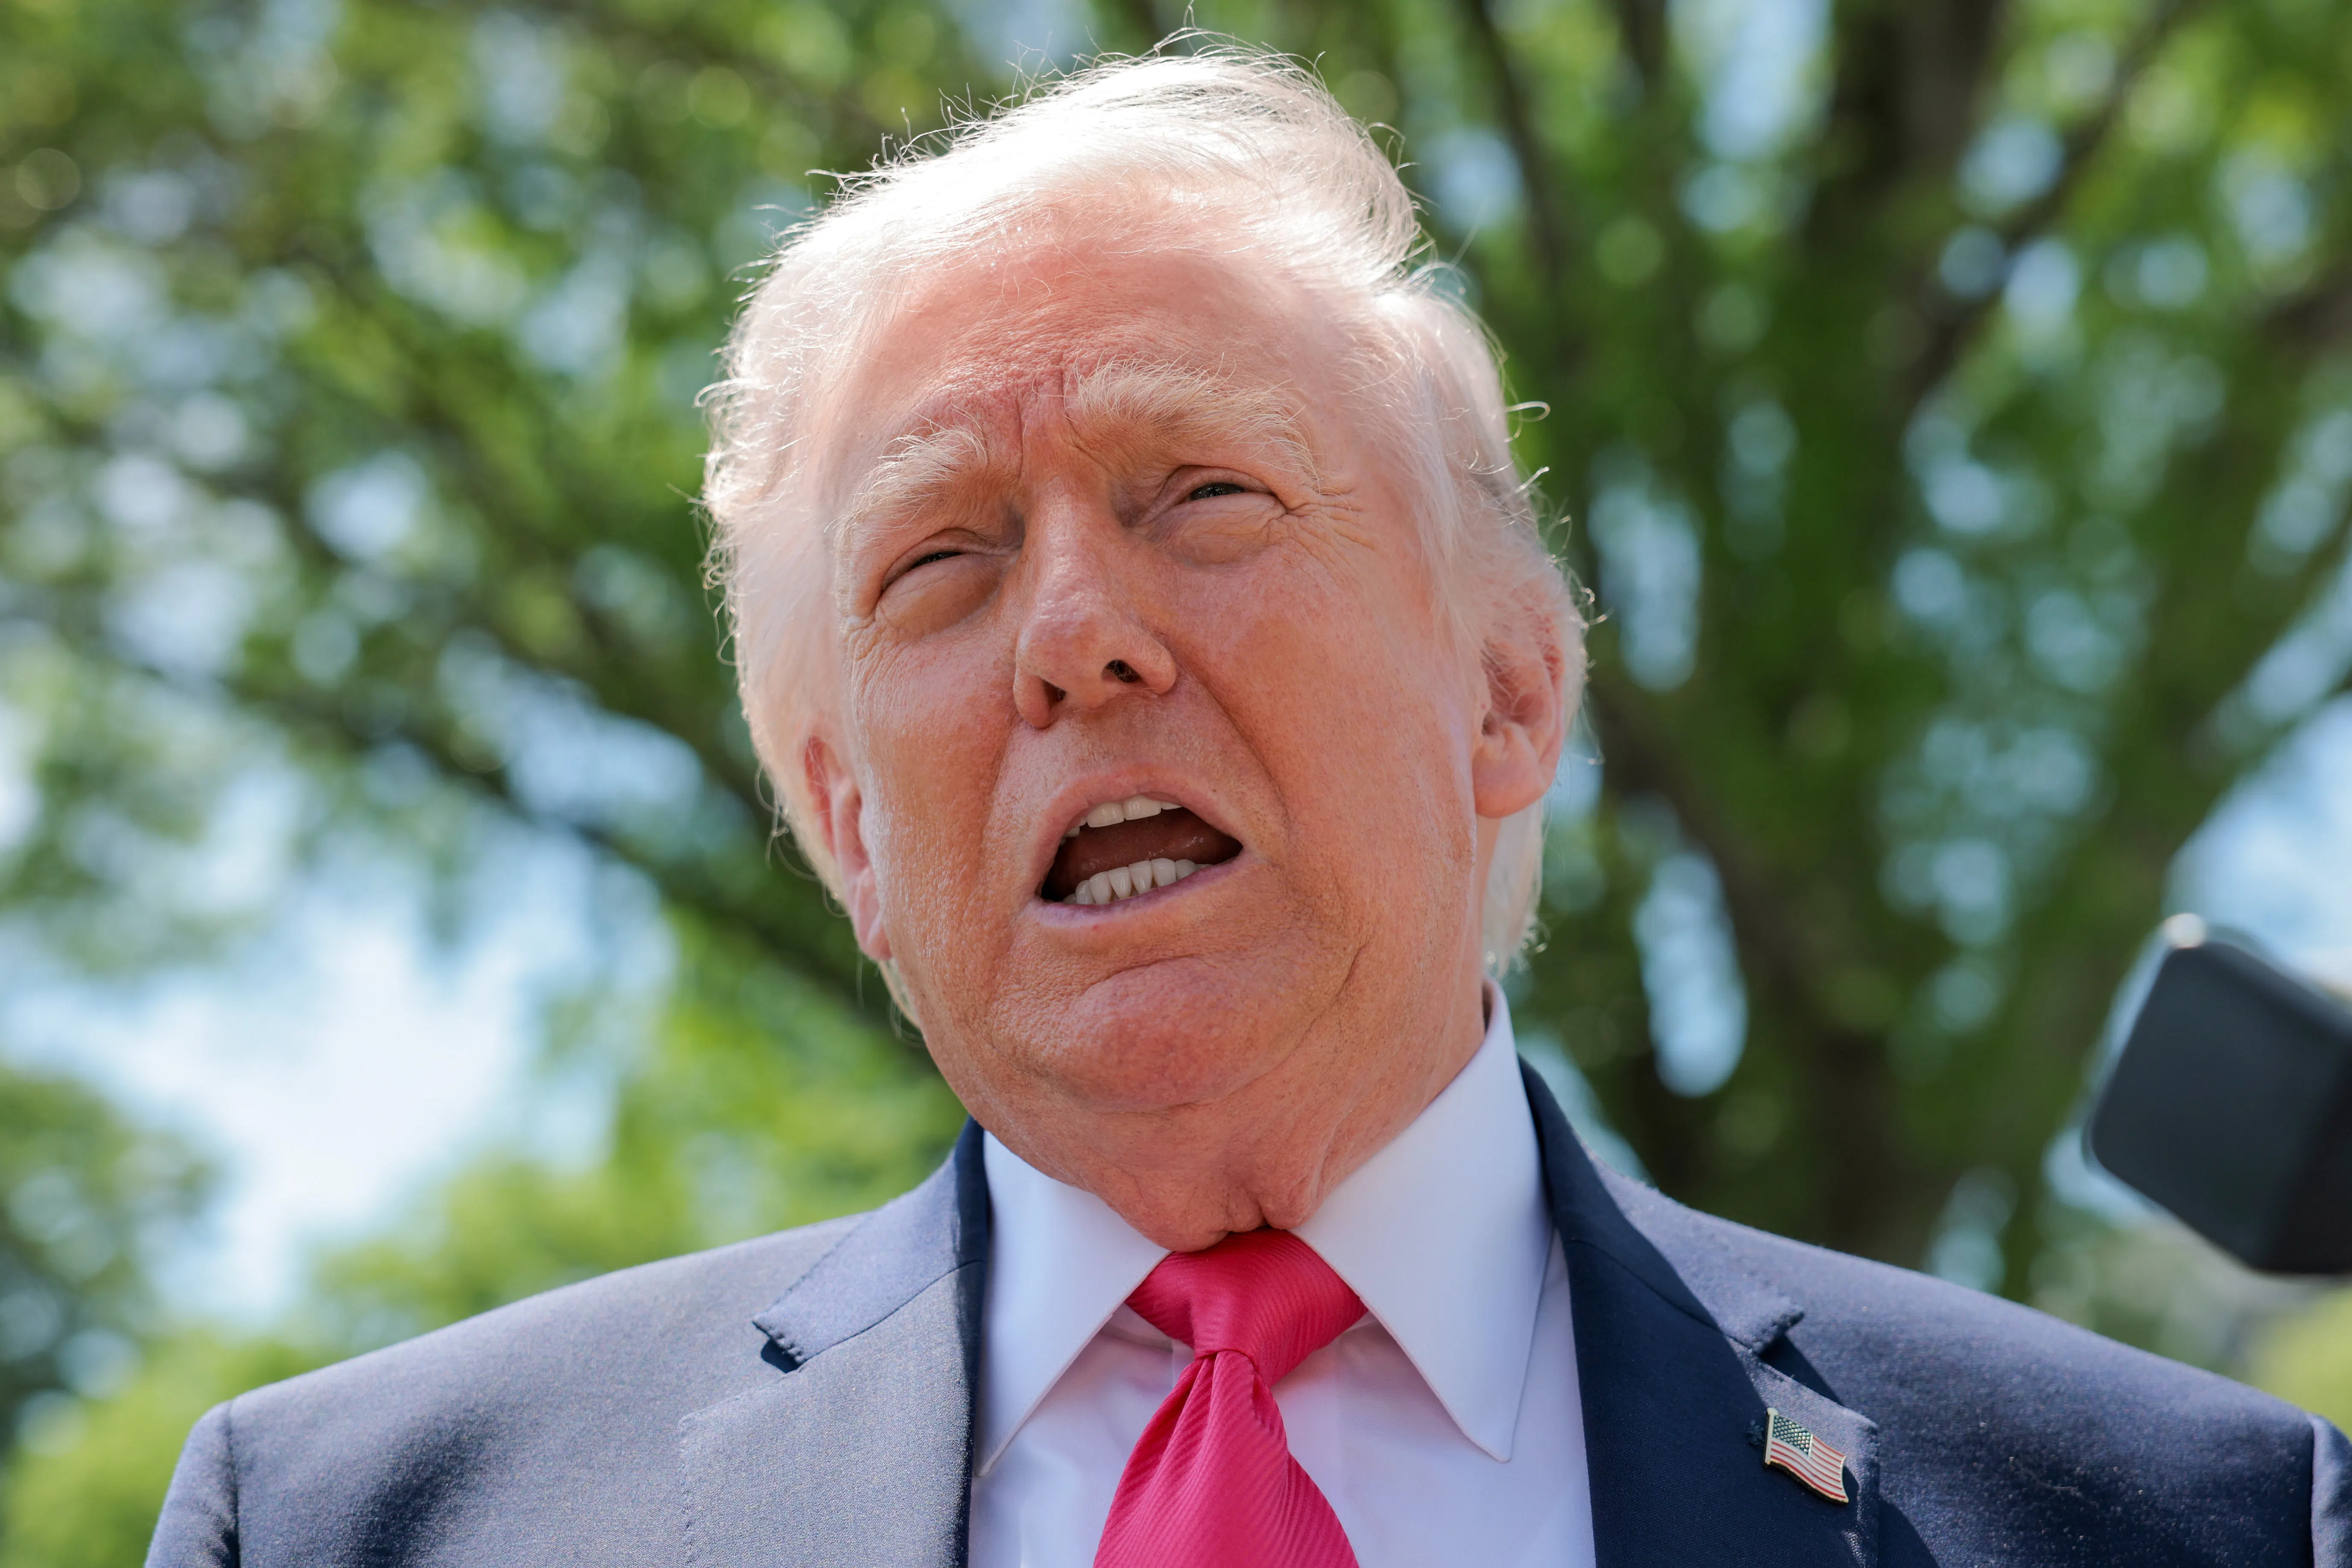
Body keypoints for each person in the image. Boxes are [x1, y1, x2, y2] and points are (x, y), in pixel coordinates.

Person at [148, 47, 2348, 1568]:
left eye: (1200, 492)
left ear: (1507, 692)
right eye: (943, 559)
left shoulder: (2193, 1520)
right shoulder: (360, 1520)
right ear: (843, 827)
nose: (1077, 635)